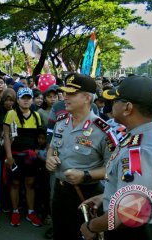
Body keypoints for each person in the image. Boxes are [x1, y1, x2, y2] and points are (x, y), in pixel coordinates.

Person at [80, 76, 152, 240]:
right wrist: (106, 198)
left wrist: (91, 226)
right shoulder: (148, 136)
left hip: (139, 231)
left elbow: (127, 211)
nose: (111, 104)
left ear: (127, 107)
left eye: (116, 100)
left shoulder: (140, 150)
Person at [46, 73, 113, 240]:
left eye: (71, 93)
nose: (65, 96)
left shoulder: (103, 130)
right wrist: (50, 158)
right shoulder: (61, 123)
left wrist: (85, 175)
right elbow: (53, 148)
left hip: (87, 197)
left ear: (87, 98)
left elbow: (114, 169)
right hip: (60, 192)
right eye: (65, 92)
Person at [3, 87, 43, 227]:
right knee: (14, 184)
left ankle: (30, 212)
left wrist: (38, 150)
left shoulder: (36, 116)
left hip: (30, 158)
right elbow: (6, 137)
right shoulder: (11, 114)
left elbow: (39, 137)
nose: (26, 100)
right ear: (18, 100)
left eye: (28, 98)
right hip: (15, 156)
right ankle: (15, 211)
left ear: (32, 100)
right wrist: (8, 156)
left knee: (30, 184)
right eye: (23, 98)